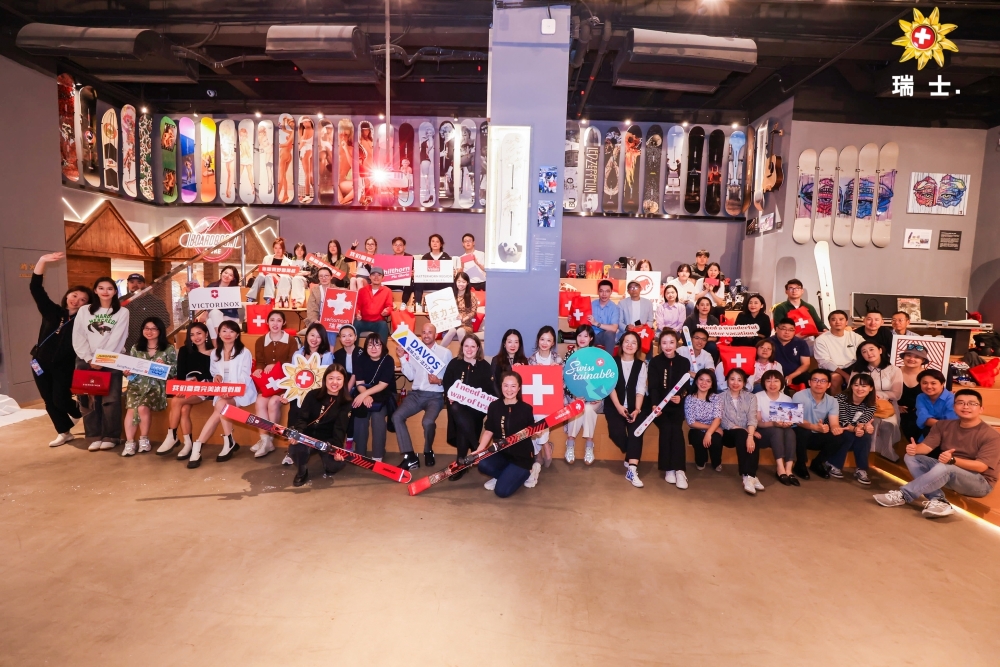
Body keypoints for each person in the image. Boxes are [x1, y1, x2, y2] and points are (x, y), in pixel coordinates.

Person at [875, 389, 1000, 518]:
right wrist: (914, 449)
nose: (965, 406)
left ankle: (904, 494)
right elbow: (926, 447)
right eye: (960, 402)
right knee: (911, 457)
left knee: (946, 466)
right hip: (949, 473)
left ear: (981, 409)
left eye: (972, 403)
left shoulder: (991, 435)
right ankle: (939, 500)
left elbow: (981, 467)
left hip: (979, 483)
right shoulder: (943, 425)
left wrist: (953, 460)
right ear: (954, 407)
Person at [30, 252, 92, 447]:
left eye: (82, 299)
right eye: (74, 295)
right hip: (39, 362)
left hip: (64, 366)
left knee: (60, 399)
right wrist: (42, 261)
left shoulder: (84, 321)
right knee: (48, 400)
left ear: (87, 304)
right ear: (67, 296)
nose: (76, 300)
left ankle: (78, 410)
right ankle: (64, 432)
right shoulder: (52, 311)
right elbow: (35, 288)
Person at [186, 320, 257, 467]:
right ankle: (227, 441)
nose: (227, 334)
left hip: (240, 391)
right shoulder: (215, 353)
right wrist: (216, 376)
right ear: (219, 333)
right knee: (222, 406)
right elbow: (214, 371)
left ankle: (199, 445)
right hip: (222, 391)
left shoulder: (244, 352)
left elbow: (245, 376)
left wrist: (232, 392)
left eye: (232, 331)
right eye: (224, 330)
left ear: (237, 334)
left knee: (221, 406)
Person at [72, 276, 130, 452]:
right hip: (86, 359)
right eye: (101, 288)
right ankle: (94, 436)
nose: (105, 292)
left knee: (111, 400)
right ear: (95, 290)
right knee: (88, 399)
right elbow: (78, 335)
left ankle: (111, 436)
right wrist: (88, 358)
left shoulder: (122, 312)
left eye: (110, 288)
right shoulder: (84, 310)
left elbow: (118, 338)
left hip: (111, 359)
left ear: (115, 292)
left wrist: (101, 359)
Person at [394, 322, 453, 470]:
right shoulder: (415, 351)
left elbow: (452, 378)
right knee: (396, 416)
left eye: (430, 332)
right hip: (416, 394)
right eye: (424, 332)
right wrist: (402, 358)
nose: (426, 335)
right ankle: (410, 456)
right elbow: (410, 376)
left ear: (436, 335)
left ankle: (428, 451)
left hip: (435, 396)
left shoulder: (445, 353)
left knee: (427, 422)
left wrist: (439, 381)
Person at [474, 371, 536, 497]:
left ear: (519, 388)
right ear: (501, 386)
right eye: (505, 385)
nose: (509, 390)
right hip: (501, 454)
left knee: (501, 492)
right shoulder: (494, 406)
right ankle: (504, 475)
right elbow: (489, 431)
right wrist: (479, 451)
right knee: (482, 463)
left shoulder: (526, 408)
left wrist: (536, 431)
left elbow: (531, 432)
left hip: (521, 459)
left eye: (513, 386)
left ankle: (531, 472)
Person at [122, 317, 177, 456]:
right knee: (131, 409)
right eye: (146, 328)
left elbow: (175, 371)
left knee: (142, 407)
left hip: (156, 385)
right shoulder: (136, 348)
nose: (149, 331)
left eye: (153, 329)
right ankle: (129, 442)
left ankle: (144, 440)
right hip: (136, 384)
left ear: (160, 331)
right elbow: (131, 370)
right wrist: (128, 373)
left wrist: (165, 367)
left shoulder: (168, 349)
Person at [442, 335, 495, 480]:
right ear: (462, 347)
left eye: (473, 346)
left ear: (478, 348)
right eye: (466, 346)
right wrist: (450, 395)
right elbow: (447, 384)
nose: (469, 349)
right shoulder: (454, 363)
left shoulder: (484, 366)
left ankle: (461, 463)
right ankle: (476, 446)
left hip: (476, 410)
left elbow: (490, 390)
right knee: (457, 411)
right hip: (457, 407)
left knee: (463, 422)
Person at [289, 364, 351, 487]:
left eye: (339, 379)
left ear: (344, 381)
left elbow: (340, 428)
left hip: (328, 441)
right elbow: (302, 418)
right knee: (296, 449)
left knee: (335, 465)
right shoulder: (313, 395)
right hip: (308, 436)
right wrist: (298, 433)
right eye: (331, 378)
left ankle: (327, 462)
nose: (334, 382)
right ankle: (302, 472)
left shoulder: (346, 402)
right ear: (325, 379)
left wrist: (337, 449)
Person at [158, 322, 213, 455]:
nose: (196, 337)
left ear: (206, 334)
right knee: (184, 409)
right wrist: (184, 386)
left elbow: (214, 374)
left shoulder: (214, 353)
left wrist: (199, 379)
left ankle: (172, 436)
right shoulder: (184, 350)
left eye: (199, 333)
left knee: (177, 401)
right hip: (186, 387)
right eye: (192, 334)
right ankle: (188, 444)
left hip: (205, 388)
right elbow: (181, 373)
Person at [647, 329, 692, 488]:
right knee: (666, 428)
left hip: (677, 406)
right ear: (659, 344)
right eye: (664, 343)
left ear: (676, 344)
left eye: (671, 342)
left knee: (677, 429)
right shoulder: (655, 362)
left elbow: (686, 386)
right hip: (659, 407)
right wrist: (655, 405)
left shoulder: (684, 362)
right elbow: (653, 387)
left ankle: (680, 470)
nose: (668, 346)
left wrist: (681, 396)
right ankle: (668, 469)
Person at [604, 331, 648, 488]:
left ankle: (632, 469)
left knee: (637, 431)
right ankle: (630, 453)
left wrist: (637, 409)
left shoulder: (641, 365)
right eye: (627, 341)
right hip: (614, 404)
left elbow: (640, 389)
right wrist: (618, 406)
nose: (630, 345)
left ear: (638, 347)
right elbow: (610, 387)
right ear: (621, 344)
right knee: (616, 433)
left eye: (634, 342)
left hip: (635, 406)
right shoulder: (612, 362)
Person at [250, 310, 294, 459]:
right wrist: (259, 369)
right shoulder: (260, 341)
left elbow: (292, 362)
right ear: (267, 322)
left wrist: (276, 365)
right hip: (268, 383)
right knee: (260, 401)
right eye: (272, 320)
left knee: (273, 402)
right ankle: (265, 440)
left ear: (284, 323)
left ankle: (268, 439)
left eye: (279, 320)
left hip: (284, 382)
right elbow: (260, 361)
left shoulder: (291, 341)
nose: (275, 323)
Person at [524, 326, 564, 487]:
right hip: (534, 401)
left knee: (542, 415)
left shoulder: (557, 359)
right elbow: (526, 383)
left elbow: (562, 384)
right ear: (538, 340)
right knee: (534, 415)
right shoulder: (531, 360)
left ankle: (541, 448)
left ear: (553, 342)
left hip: (551, 401)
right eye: (542, 339)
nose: (545, 343)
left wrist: (556, 372)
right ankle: (545, 446)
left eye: (549, 340)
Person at [851, 341, 903, 460]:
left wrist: (877, 395)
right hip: (863, 404)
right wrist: (868, 395)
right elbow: (851, 389)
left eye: (871, 349)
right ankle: (864, 453)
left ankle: (887, 450)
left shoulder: (894, 370)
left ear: (880, 350)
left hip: (886, 406)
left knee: (888, 424)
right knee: (866, 423)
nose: (869, 353)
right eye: (864, 352)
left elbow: (897, 394)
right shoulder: (857, 370)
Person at [718, 368, 763, 495]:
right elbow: (723, 420)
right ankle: (747, 475)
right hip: (728, 433)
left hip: (745, 433)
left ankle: (750, 476)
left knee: (754, 438)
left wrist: (750, 435)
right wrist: (748, 432)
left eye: (739, 380)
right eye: (732, 379)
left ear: (744, 383)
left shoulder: (751, 397)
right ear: (727, 381)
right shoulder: (719, 397)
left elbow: (752, 418)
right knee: (743, 434)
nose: (735, 383)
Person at [351, 334, 395, 461]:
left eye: (377, 344)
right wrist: (365, 396)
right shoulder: (361, 359)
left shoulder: (388, 360)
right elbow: (359, 383)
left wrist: (364, 395)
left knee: (377, 417)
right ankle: (360, 454)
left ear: (383, 346)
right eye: (370, 345)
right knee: (360, 414)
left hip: (384, 395)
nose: (373, 348)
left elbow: (382, 385)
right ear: (366, 347)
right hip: (364, 392)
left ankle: (378, 455)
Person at [827, 373, 877, 484]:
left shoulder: (871, 405)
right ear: (851, 386)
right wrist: (855, 429)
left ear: (871, 388)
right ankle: (833, 464)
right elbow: (842, 421)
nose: (859, 389)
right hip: (835, 427)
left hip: (852, 428)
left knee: (865, 436)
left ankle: (861, 469)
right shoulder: (840, 398)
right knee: (847, 435)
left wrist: (863, 427)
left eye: (864, 386)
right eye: (856, 385)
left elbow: (863, 421)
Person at [790, 369, 840, 480]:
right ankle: (800, 464)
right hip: (799, 433)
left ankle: (817, 463)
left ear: (828, 385)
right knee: (803, 431)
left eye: (823, 381)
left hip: (817, 433)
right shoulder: (799, 396)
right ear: (809, 382)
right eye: (815, 380)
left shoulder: (832, 401)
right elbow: (797, 420)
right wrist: (814, 427)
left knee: (838, 436)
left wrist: (836, 429)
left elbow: (834, 423)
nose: (819, 384)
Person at [563, 325, 601, 465]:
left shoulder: (597, 356)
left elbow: (603, 379)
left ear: (591, 338)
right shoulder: (570, 355)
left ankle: (589, 445)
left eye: (586, 336)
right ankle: (570, 442)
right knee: (577, 407)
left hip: (594, 398)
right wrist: (574, 395)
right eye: (579, 335)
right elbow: (565, 379)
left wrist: (598, 395)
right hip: (574, 397)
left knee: (589, 408)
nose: (582, 338)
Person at [755, 370, 797, 485]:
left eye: (776, 381)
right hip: (763, 432)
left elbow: (790, 420)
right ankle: (780, 468)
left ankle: (789, 469)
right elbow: (758, 423)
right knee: (777, 430)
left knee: (790, 432)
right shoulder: (757, 397)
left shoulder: (787, 399)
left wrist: (788, 423)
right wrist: (774, 423)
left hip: (782, 432)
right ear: (763, 383)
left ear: (781, 383)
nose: (772, 384)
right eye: (768, 381)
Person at [814, 310, 864, 394]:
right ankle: (837, 402)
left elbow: (865, 349)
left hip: (852, 366)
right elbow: (825, 362)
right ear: (829, 323)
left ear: (846, 322)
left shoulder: (854, 336)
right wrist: (846, 375)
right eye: (833, 320)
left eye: (841, 319)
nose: (837, 322)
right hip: (831, 369)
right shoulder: (821, 339)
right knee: (836, 378)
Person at [684, 369, 724, 471]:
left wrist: (709, 433)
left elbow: (718, 418)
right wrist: (709, 429)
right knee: (698, 438)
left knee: (716, 439)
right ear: (696, 381)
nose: (704, 383)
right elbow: (691, 422)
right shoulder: (689, 398)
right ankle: (701, 461)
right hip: (697, 429)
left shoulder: (716, 398)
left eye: (708, 381)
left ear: (712, 384)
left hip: (713, 427)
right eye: (701, 379)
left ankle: (716, 463)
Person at [122, 272, 171, 353]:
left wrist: (150, 332)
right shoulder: (122, 301)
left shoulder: (155, 302)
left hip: (147, 344)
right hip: (126, 344)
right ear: (128, 284)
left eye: (139, 282)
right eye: (132, 282)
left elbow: (165, 321)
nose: (135, 285)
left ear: (144, 284)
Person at [247, 237, 294, 307]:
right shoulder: (267, 258)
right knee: (261, 276)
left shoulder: (288, 262)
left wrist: (274, 275)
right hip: (266, 279)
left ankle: (269, 299)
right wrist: (268, 274)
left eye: (280, 248)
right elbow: (262, 271)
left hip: (278, 281)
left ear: (283, 249)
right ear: (273, 248)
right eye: (276, 248)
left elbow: (288, 277)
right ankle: (250, 298)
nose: (277, 250)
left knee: (269, 276)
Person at [898, 343, 930, 441]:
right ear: (904, 357)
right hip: (896, 412)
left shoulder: (929, 375)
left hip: (921, 412)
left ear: (923, 360)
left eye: (917, 357)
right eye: (908, 355)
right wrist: (895, 405)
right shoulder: (894, 371)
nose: (912, 359)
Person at [769, 318, 812, 389]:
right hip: (774, 375)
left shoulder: (801, 343)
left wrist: (791, 376)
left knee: (807, 378)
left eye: (791, 330)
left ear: (794, 331)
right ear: (776, 329)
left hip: (795, 374)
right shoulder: (768, 342)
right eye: (783, 329)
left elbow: (805, 364)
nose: (787, 332)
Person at [412, 234, 452, 310]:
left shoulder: (446, 256)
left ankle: (449, 305)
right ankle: (418, 304)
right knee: (418, 281)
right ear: (430, 244)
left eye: (437, 241)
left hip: (441, 283)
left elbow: (449, 271)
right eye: (433, 241)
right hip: (429, 283)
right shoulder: (426, 257)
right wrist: (416, 273)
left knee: (451, 282)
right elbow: (421, 272)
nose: (435, 243)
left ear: (441, 244)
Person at [915, 368, 955, 442]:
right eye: (924, 383)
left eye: (933, 383)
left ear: (942, 384)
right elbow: (923, 417)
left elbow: (951, 424)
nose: (929, 386)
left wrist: (931, 422)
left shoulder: (953, 399)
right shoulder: (921, 397)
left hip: (951, 436)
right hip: (929, 434)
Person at [355, 266, 393, 343]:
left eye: (379, 275)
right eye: (373, 275)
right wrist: (357, 313)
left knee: (383, 325)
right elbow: (357, 305)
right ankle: (354, 350)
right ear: (369, 277)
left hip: (378, 322)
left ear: (383, 278)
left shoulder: (387, 291)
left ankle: (382, 350)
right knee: (355, 324)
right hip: (363, 321)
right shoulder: (362, 290)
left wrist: (387, 311)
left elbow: (389, 306)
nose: (376, 277)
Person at [440, 271, 479, 346]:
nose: (461, 284)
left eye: (463, 282)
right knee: (452, 331)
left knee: (460, 331)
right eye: (459, 281)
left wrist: (463, 319)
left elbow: (473, 312)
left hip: (465, 324)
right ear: (455, 282)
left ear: (467, 283)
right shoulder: (450, 295)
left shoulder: (472, 296)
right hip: (453, 323)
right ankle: (438, 351)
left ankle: (464, 352)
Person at [204, 265, 241, 338]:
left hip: (229, 316)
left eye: (230, 275)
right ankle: (221, 341)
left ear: (233, 278)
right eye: (225, 273)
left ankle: (220, 340)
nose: (227, 276)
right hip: (215, 315)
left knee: (210, 322)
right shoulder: (212, 286)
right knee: (214, 312)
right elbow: (206, 302)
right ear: (221, 273)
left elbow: (234, 307)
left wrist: (208, 311)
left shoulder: (234, 290)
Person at [303, 266, 337, 343]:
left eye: (326, 276)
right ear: (318, 278)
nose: (323, 278)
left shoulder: (337, 290)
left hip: (332, 320)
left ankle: (330, 350)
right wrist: (315, 320)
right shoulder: (315, 291)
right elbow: (311, 308)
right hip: (318, 320)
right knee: (316, 330)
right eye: (321, 276)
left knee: (330, 330)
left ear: (331, 277)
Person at [491, 329, 529, 393]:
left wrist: (522, 370)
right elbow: (494, 383)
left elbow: (526, 384)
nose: (513, 345)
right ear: (504, 343)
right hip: (500, 396)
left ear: (519, 344)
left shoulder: (524, 361)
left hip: (518, 397)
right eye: (510, 342)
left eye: (516, 342)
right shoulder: (496, 360)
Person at [588, 279, 620, 351]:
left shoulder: (614, 308)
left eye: (607, 291)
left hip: (604, 335)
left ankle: (608, 357)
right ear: (598, 292)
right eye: (601, 291)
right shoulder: (591, 304)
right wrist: (572, 318)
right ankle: (583, 356)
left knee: (610, 334)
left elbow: (614, 328)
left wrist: (596, 323)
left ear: (611, 292)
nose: (604, 294)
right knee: (584, 331)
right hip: (591, 334)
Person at [388, 236, 415, 310]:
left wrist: (413, 274)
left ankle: (404, 303)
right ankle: (390, 302)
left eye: (400, 245)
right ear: (392, 247)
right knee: (383, 284)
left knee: (409, 281)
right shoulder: (389, 259)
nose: (398, 247)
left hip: (404, 282)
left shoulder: (410, 257)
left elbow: (414, 271)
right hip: (393, 281)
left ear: (404, 247)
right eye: (395, 245)